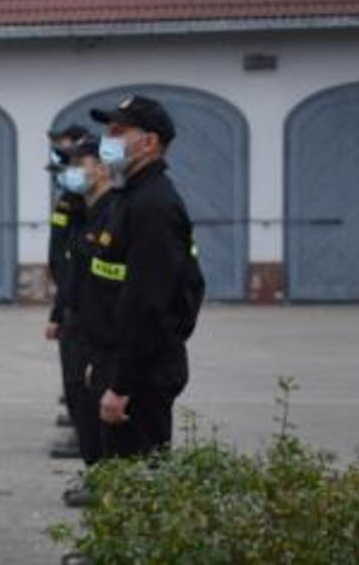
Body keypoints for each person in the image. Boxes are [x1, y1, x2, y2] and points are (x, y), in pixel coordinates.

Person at [80, 95, 205, 461]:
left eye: (118, 131)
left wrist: (121, 385)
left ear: (149, 143)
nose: (108, 140)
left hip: (139, 375)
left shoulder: (153, 207)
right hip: (119, 362)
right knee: (119, 481)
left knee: (136, 482)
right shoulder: (130, 197)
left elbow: (148, 305)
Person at [55, 137, 116, 507]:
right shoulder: (88, 209)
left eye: (82, 163)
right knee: (80, 398)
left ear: (103, 167)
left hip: (99, 329)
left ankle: (107, 483)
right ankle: (98, 476)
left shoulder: (114, 212)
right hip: (78, 318)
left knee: (98, 407)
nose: (74, 171)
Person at [45, 124, 92, 460]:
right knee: (74, 378)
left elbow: (76, 260)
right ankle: (81, 430)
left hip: (86, 304)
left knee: (82, 379)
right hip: (72, 299)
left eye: (72, 165)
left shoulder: (89, 205)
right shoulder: (71, 199)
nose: (66, 173)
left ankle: (85, 436)